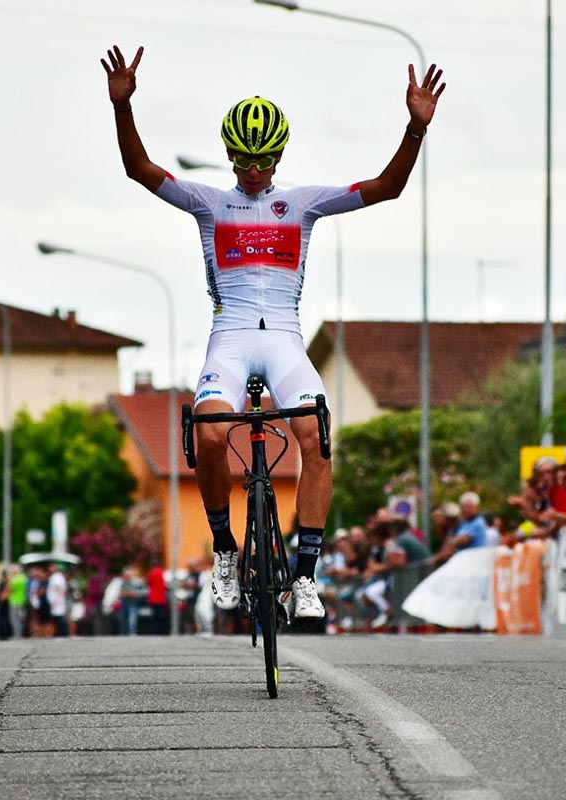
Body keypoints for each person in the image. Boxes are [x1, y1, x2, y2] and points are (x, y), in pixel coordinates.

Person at [101, 44, 445, 620]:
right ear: (230, 156)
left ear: (279, 155)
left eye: (261, 161)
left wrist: (414, 129)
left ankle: (304, 578)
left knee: (316, 435)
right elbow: (141, 170)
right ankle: (226, 551)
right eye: (242, 160)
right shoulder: (210, 203)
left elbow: (386, 187)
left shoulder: (303, 204)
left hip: (285, 338)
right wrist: (123, 109)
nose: (252, 171)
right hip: (231, 338)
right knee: (209, 435)